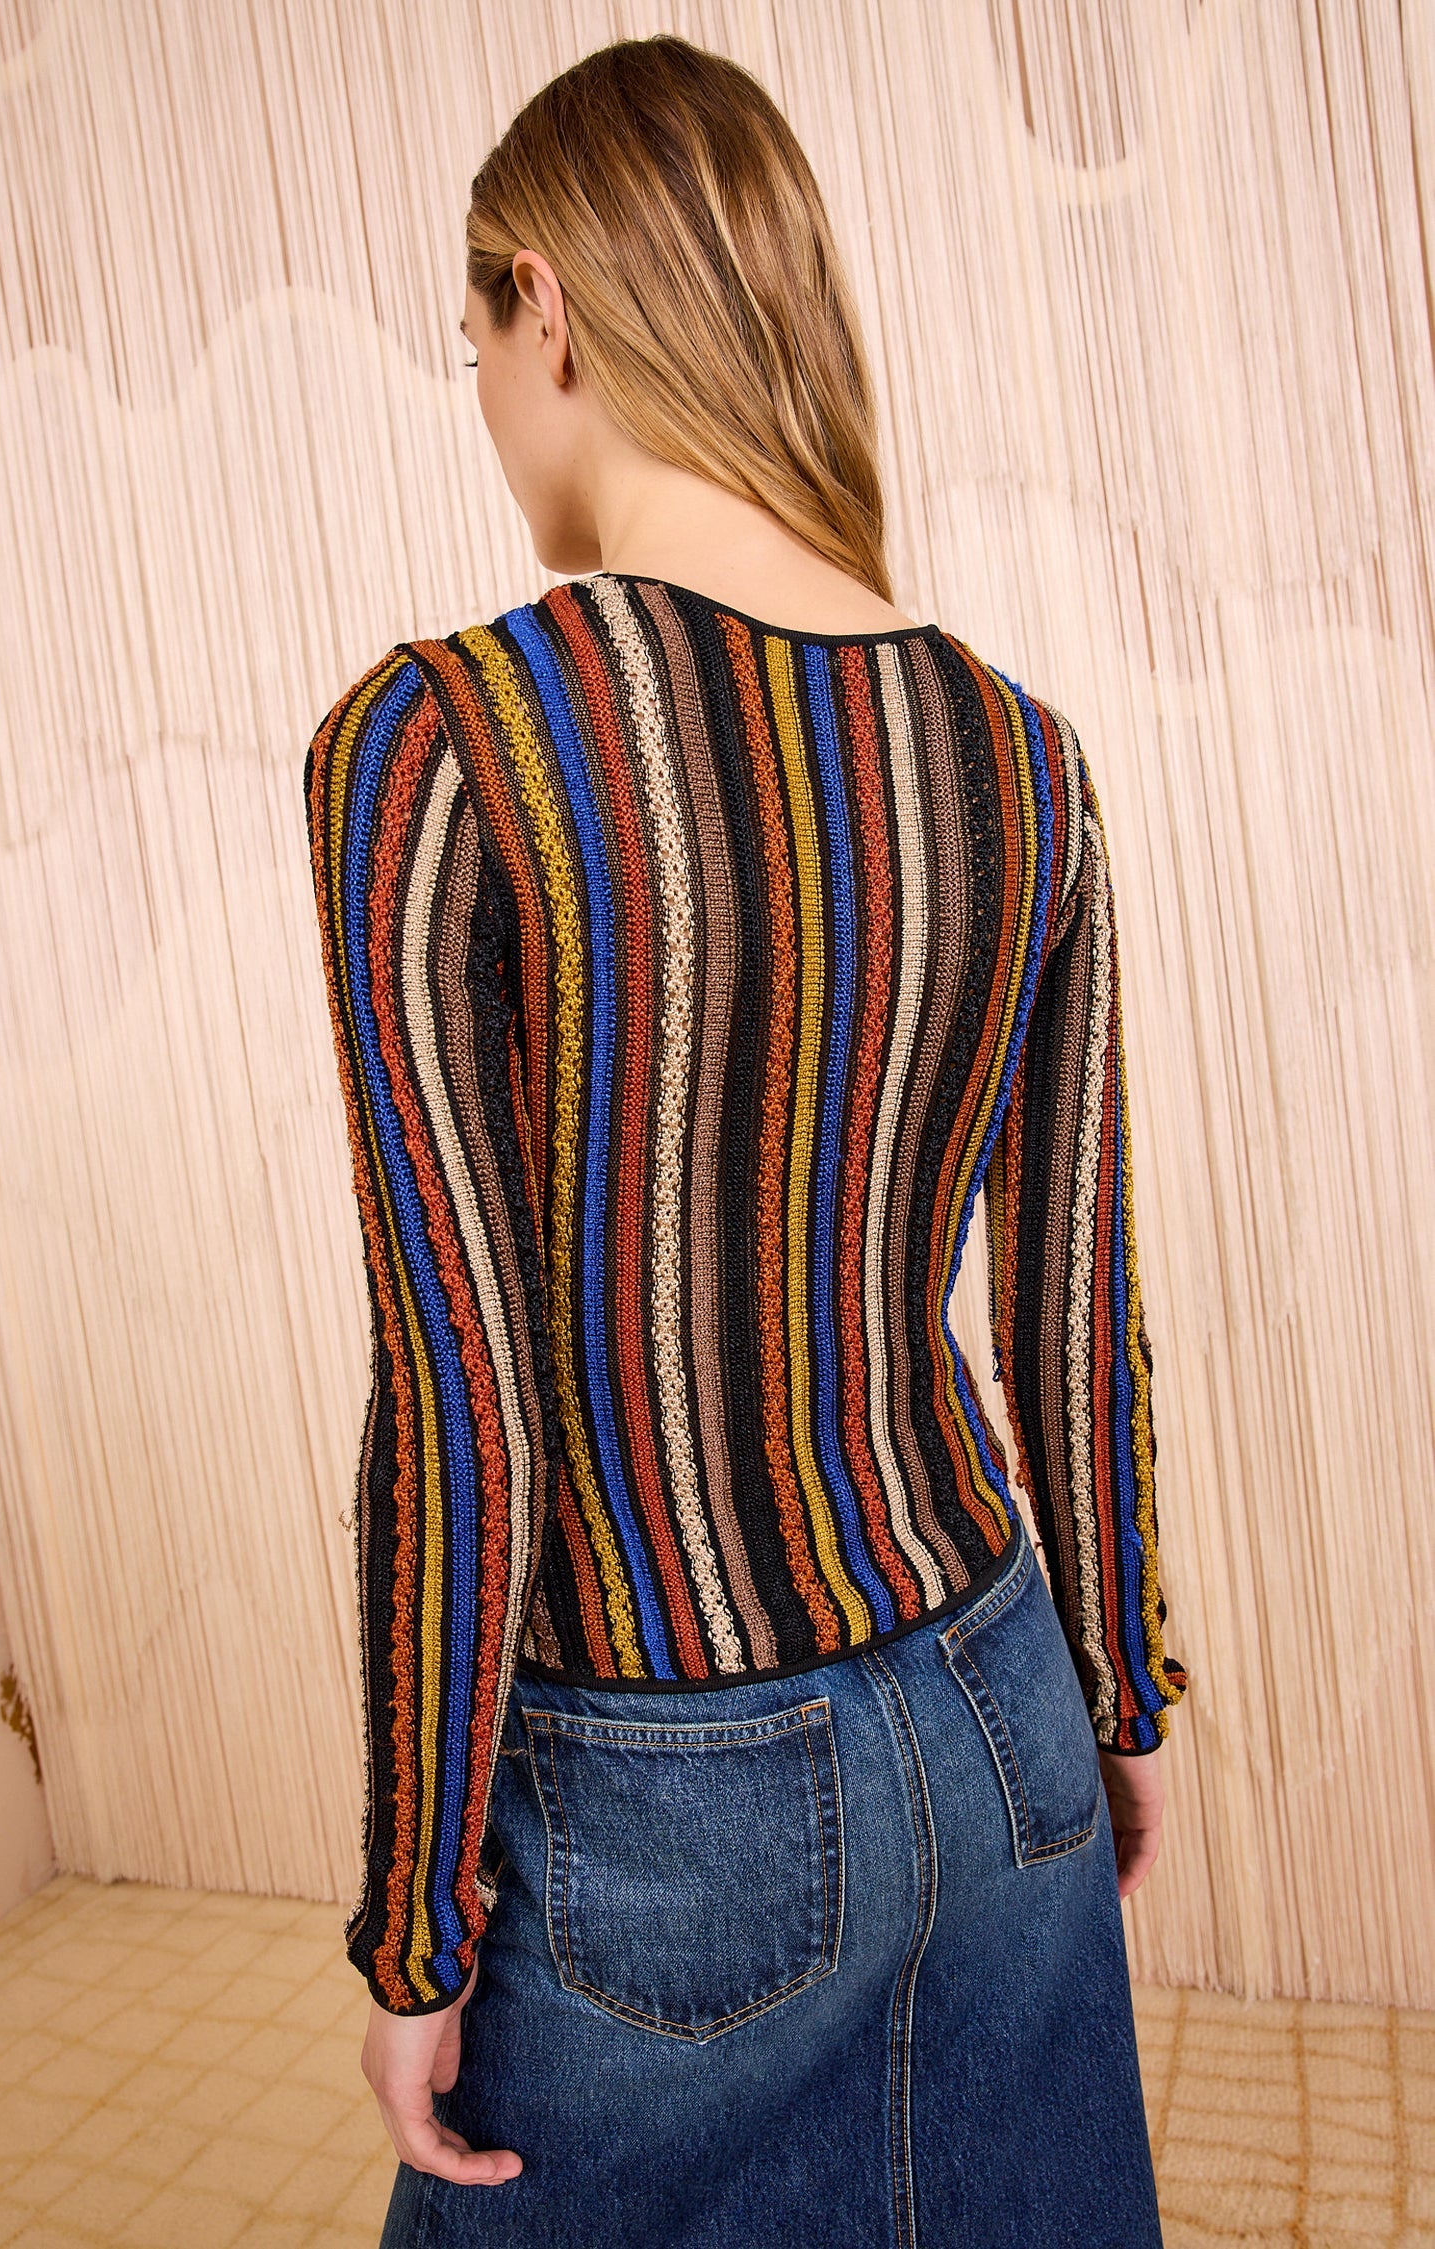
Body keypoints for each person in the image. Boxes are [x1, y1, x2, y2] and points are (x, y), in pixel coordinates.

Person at [302, 32, 1190, 2249]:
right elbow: (1073, 1298)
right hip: (997, 1700)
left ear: (548, 306)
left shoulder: (445, 747)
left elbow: (465, 1392)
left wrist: (415, 1921)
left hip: (656, 1805)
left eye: (474, 344)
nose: (487, 401)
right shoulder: (1025, 760)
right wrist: (1122, 1692)